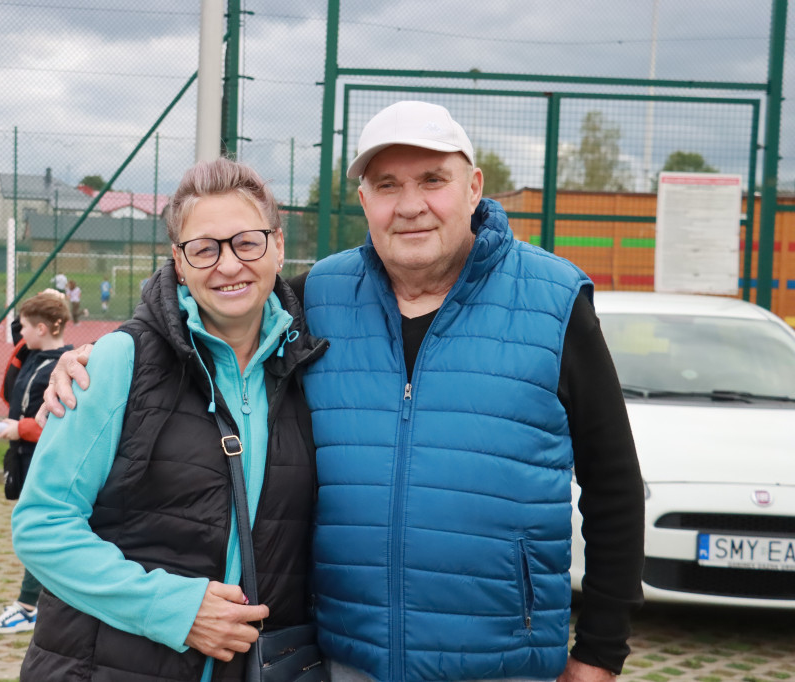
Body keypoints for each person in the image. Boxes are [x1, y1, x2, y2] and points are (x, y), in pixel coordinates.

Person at [44, 102, 645, 682]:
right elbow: (217, 293)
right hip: (346, 661)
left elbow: (613, 484)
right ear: (364, 201)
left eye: (433, 179)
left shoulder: (554, 300)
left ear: (473, 187)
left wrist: (600, 650)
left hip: (503, 665)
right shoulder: (320, 296)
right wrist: (110, 353)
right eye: (386, 186)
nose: (410, 206)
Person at [11, 157, 327, 681]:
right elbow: (41, 526)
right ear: (179, 263)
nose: (228, 265)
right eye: (204, 249)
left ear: (278, 246)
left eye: (247, 242)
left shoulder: (310, 368)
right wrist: (175, 609)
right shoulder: (116, 363)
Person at [0, 290, 73, 635]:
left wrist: (21, 428)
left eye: (24, 327)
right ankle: (44, 604)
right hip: (22, 457)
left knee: (40, 534)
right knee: (39, 532)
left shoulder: (67, 366)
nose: (19, 334)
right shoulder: (32, 356)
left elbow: (62, 420)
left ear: (44, 329)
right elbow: (9, 387)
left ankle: (27, 607)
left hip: (46, 460)